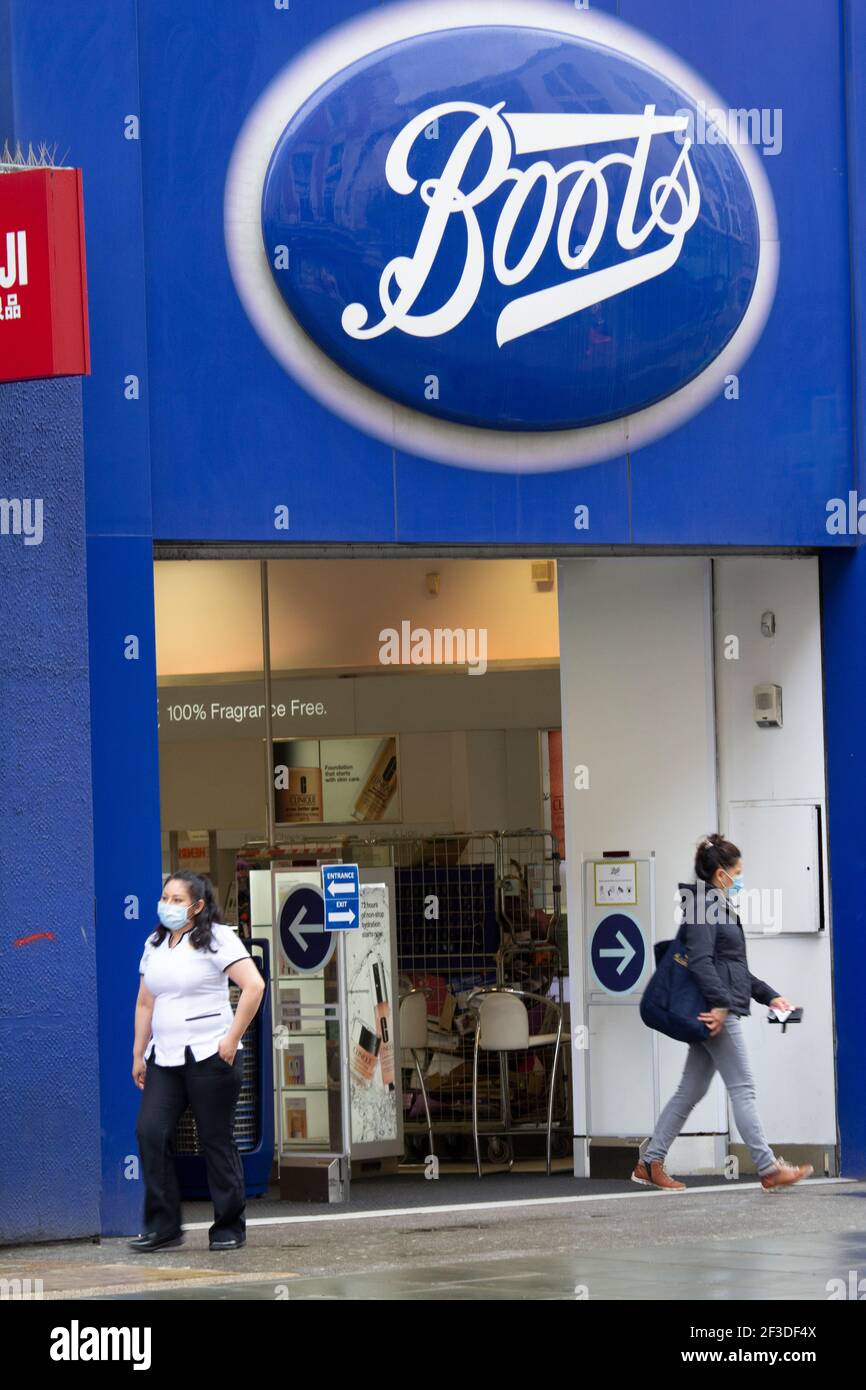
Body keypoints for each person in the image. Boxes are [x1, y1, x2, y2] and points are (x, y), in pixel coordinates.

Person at [632, 833, 813, 1193]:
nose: (741, 878)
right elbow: (700, 963)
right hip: (716, 1014)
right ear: (721, 875)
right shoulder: (704, 908)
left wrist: (769, 996)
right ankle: (767, 1166)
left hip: (716, 1009)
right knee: (743, 1088)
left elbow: (732, 968)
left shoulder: (715, 905)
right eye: (738, 872)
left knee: (690, 1090)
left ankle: (650, 1161)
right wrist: (721, 1005)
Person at [130, 871, 265, 1252]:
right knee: (149, 1132)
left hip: (211, 1055)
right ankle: (164, 1226)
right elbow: (145, 1002)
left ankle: (228, 1224)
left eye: (177, 899)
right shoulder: (154, 943)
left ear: (198, 905)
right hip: (165, 1058)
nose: (168, 905)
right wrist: (139, 1052)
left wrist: (232, 1037)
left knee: (216, 1139)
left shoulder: (218, 938)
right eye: (165, 898)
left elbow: (253, 986)